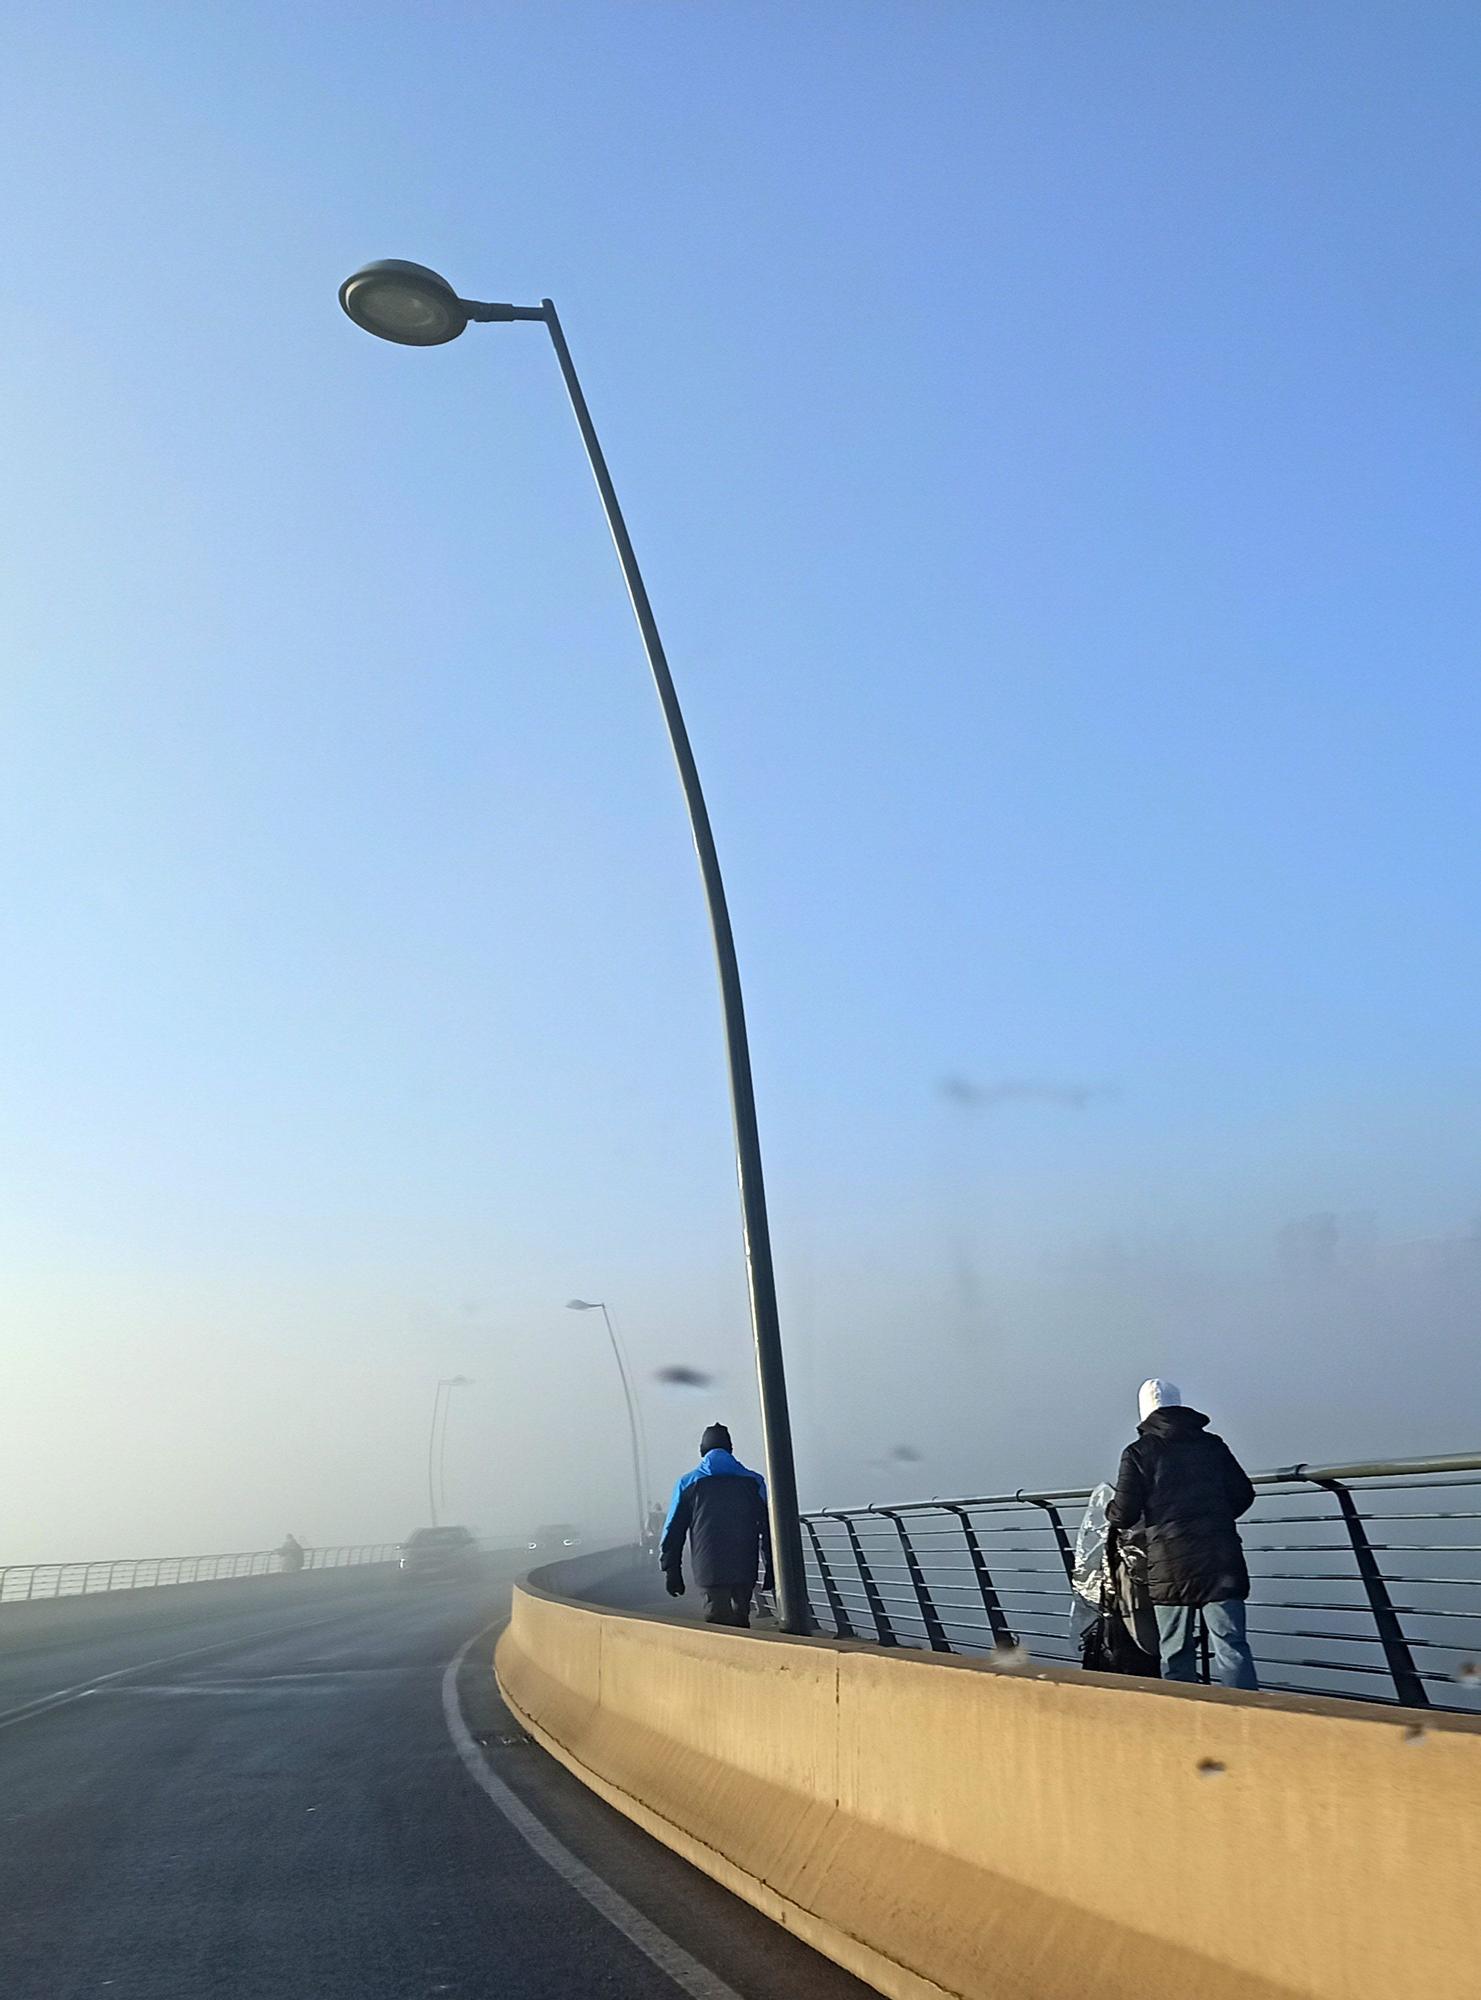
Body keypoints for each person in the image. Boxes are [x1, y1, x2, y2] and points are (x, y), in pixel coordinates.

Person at [1106, 1379, 1259, 1690]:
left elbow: (1125, 1513)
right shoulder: (1213, 1444)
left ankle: (1185, 1721)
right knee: (1232, 1647)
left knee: (1175, 1652)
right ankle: (1247, 1719)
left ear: (1144, 1412)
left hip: (1169, 1562)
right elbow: (1243, 1493)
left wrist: (1107, 1510)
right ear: (1180, 1405)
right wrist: (1216, 1520)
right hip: (1220, 1556)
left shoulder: (1138, 1452)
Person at [660, 1423, 773, 1628]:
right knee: (742, 1618)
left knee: (717, 1621)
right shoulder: (754, 1481)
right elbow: (769, 1528)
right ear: (730, 1449)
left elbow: (673, 1531)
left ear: (703, 1451)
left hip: (709, 1565)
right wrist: (772, 1566)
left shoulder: (688, 1483)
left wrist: (671, 1570)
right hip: (744, 1564)